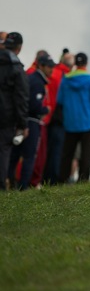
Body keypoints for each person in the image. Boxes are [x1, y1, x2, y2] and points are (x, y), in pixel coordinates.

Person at [56, 52, 90, 183]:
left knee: (67, 154)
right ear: (86, 63)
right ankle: (83, 180)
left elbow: (60, 101)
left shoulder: (66, 80)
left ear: (75, 64)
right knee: (86, 154)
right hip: (88, 122)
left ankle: (62, 179)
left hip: (70, 122)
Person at [8, 55, 54, 190]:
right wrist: (46, 109)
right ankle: (23, 186)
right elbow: (34, 105)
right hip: (31, 122)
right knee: (29, 155)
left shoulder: (31, 78)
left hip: (20, 120)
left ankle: (10, 183)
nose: (52, 69)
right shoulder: (37, 82)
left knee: (15, 155)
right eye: (49, 66)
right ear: (41, 66)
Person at [0, 32, 29, 191]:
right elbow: (21, 97)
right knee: (3, 151)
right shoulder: (16, 67)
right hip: (6, 116)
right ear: (19, 47)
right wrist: (23, 124)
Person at [43, 49, 74, 185]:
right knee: (57, 151)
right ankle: (53, 180)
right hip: (59, 117)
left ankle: (44, 178)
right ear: (71, 66)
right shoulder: (66, 77)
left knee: (47, 150)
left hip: (47, 117)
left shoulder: (52, 72)